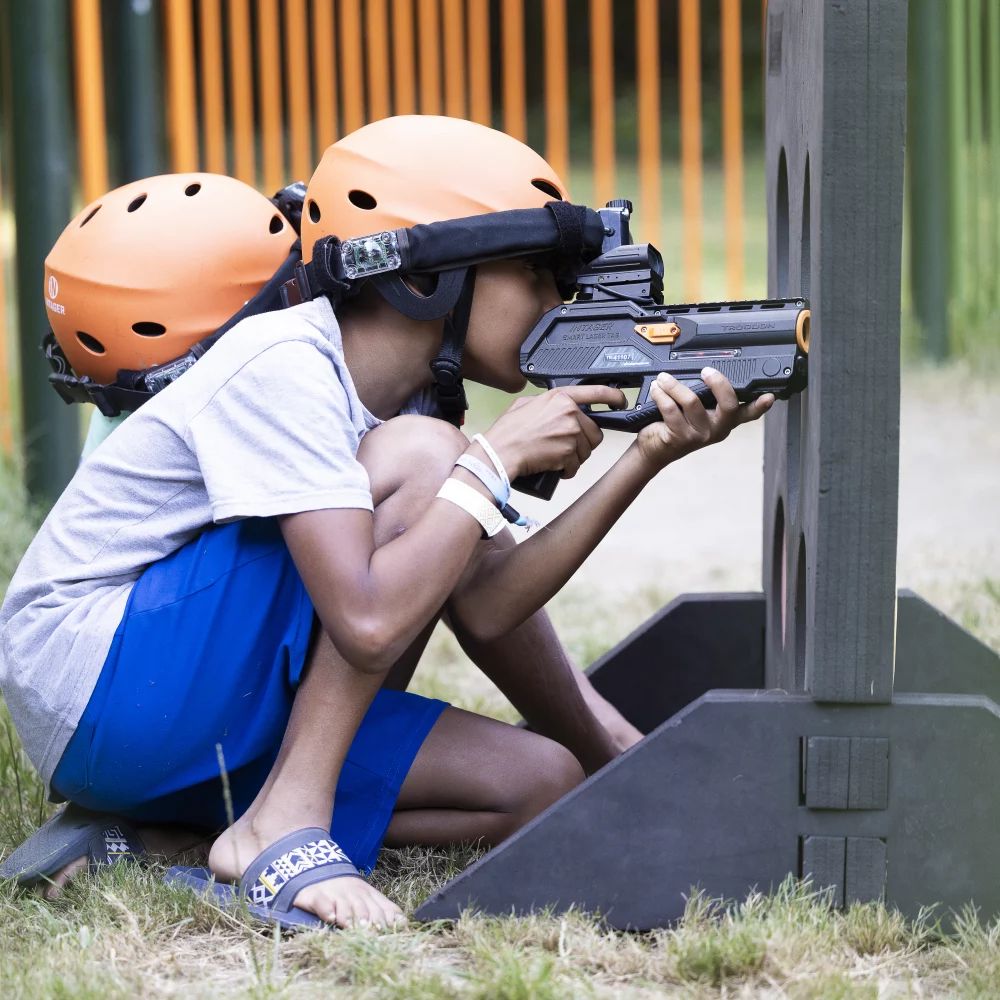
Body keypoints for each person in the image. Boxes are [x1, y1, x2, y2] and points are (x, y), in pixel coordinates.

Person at [0, 117, 772, 931]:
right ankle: (280, 823)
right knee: (427, 462)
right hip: (102, 686)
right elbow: (368, 622)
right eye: (537, 275)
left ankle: (164, 837)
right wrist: (487, 463)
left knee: (537, 784)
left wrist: (645, 456)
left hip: (208, 712)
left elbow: (488, 605)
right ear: (426, 275)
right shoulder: (286, 365)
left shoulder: (412, 409)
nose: (557, 301)